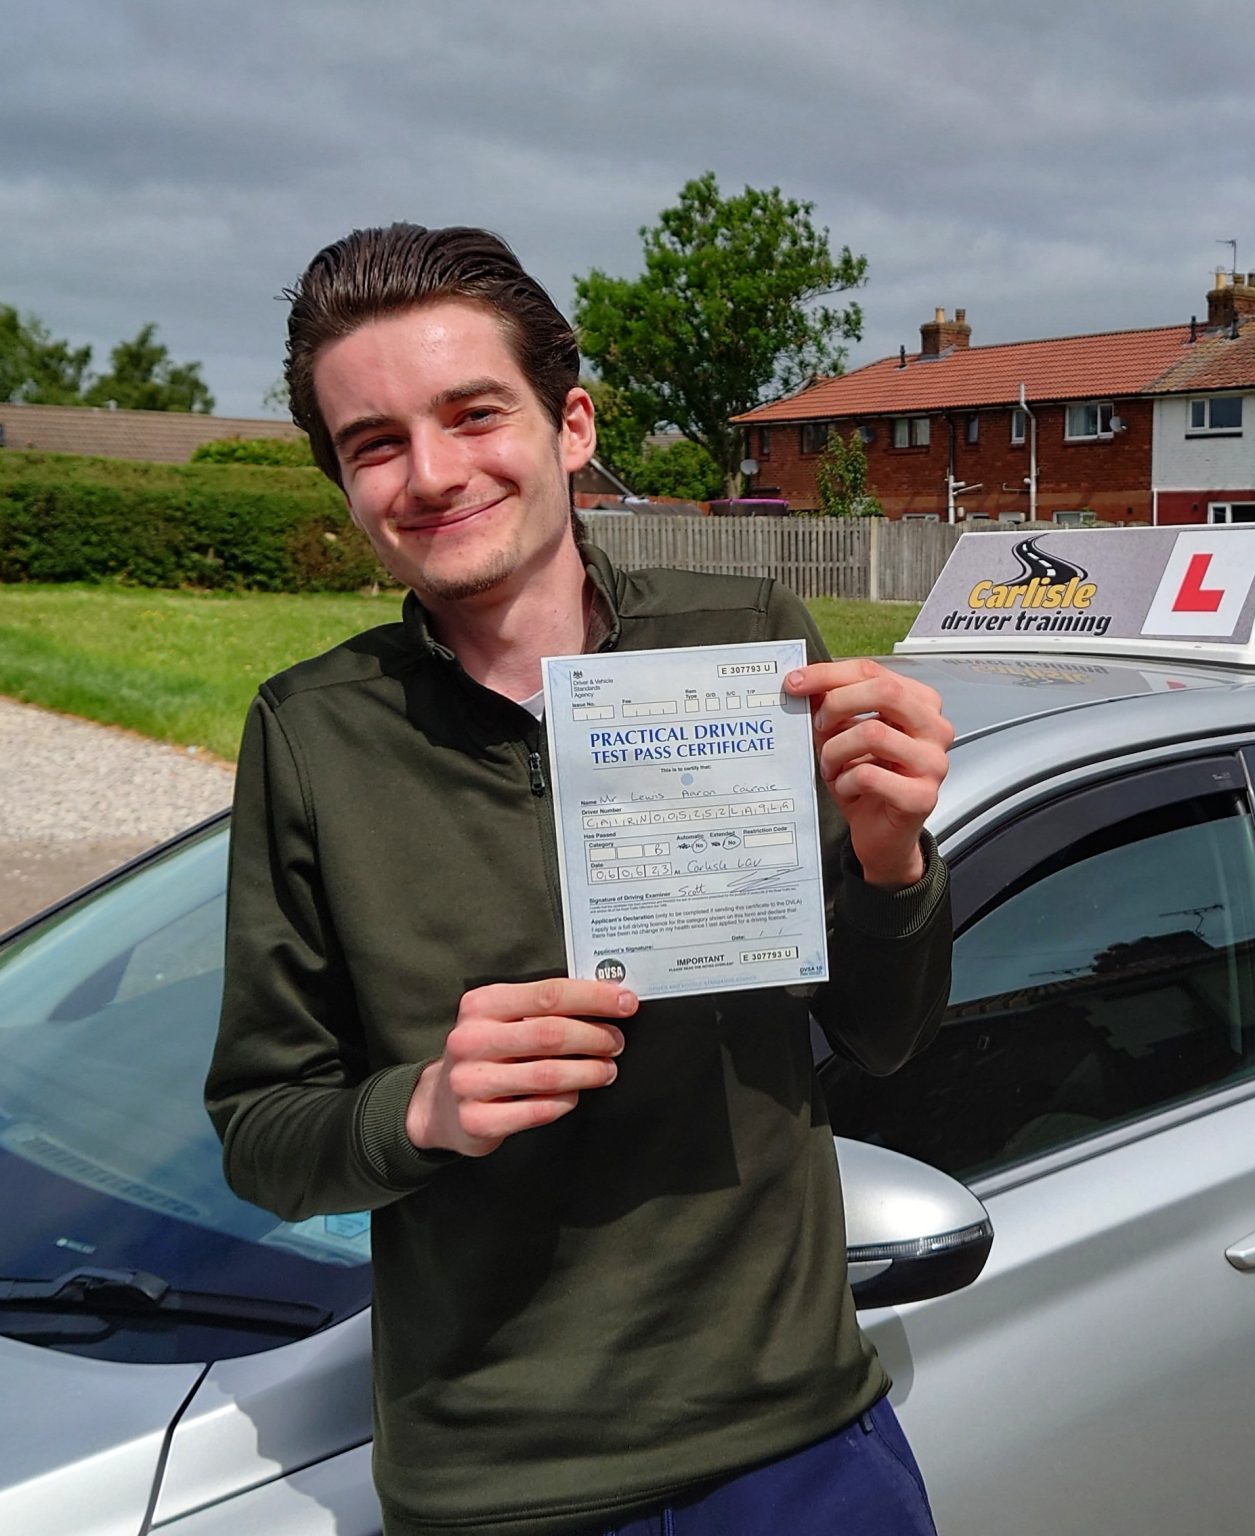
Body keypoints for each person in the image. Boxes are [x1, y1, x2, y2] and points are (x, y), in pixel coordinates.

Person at [206, 223, 954, 1536]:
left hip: (798, 1447)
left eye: (472, 414)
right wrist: (423, 1109)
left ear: (569, 426)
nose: (431, 475)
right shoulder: (312, 735)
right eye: (374, 443)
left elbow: (883, 1037)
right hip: (500, 1486)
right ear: (342, 481)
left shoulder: (746, 642)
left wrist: (893, 856)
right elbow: (265, 1135)